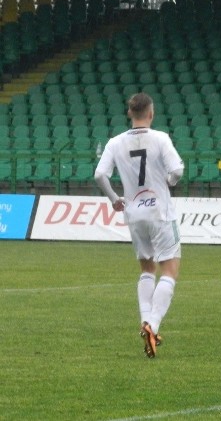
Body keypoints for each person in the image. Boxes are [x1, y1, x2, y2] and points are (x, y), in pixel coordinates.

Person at [94, 92, 184, 358]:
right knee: (170, 267)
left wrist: (114, 199)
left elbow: (100, 174)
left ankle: (146, 320)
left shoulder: (115, 142)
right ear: (151, 113)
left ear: (129, 113)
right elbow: (177, 170)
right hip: (160, 211)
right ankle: (152, 325)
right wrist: (169, 182)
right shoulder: (160, 138)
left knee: (147, 267)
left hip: (134, 212)